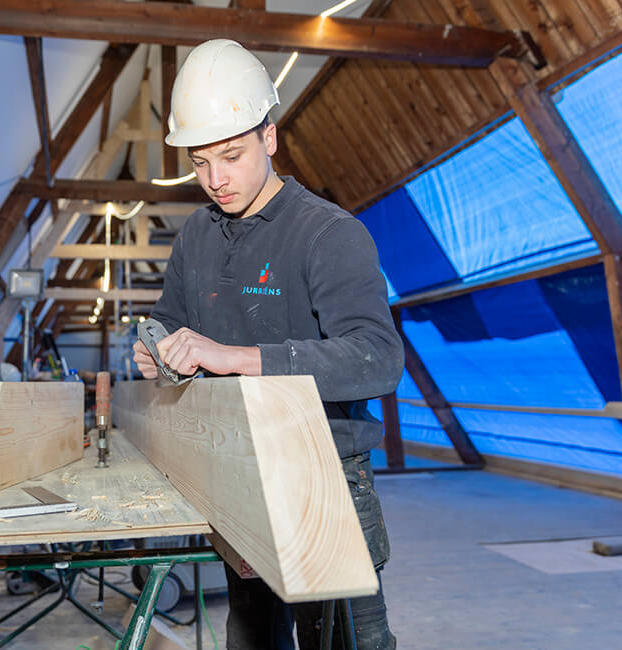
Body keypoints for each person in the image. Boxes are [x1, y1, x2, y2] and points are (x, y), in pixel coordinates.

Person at [132, 39, 404, 649]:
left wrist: (235, 359)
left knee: (346, 642)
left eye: (230, 156)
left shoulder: (329, 233)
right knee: (253, 636)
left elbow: (377, 359)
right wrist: (156, 352)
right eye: (199, 163)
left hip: (325, 476)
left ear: (270, 138)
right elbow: (172, 325)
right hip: (234, 471)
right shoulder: (195, 239)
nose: (215, 179)